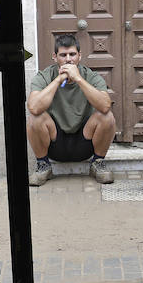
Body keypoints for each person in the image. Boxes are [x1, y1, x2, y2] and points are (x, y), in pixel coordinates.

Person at [26, 34, 116, 186]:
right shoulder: (44, 76)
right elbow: (34, 107)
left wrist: (79, 79)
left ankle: (98, 163)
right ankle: (43, 165)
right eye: (63, 55)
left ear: (79, 56)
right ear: (55, 57)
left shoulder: (91, 76)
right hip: (55, 144)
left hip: (84, 142)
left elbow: (105, 105)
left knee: (107, 116)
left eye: (72, 54)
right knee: (35, 117)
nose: (68, 59)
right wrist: (58, 80)